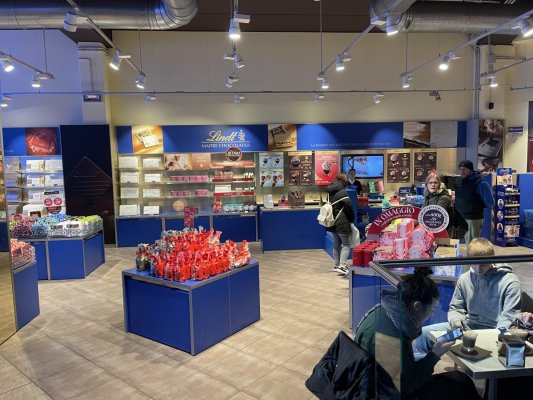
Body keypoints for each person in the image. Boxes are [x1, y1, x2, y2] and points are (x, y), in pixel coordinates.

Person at [354, 268, 480, 400]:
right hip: (383, 394)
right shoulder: (390, 337)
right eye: (432, 310)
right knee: (461, 385)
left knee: (460, 380)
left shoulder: (386, 312)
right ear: (417, 306)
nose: (430, 315)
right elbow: (407, 387)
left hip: (373, 385)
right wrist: (435, 354)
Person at [415, 238, 522, 354]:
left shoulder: (510, 282)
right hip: (466, 328)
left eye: (484, 264)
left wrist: (494, 335)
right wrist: (456, 322)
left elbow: (509, 316)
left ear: (492, 259)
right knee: (424, 334)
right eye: (474, 263)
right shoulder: (465, 279)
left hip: (494, 330)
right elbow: (456, 307)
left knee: (479, 349)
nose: (478, 269)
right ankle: (423, 364)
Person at [454, 160, 494, 244]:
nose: (462, 171)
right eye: (460, 169)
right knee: (461, 244)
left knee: (472, 244)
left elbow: (490, 202)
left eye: (464, 169)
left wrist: (477, 205)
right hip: (460, 217)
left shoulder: (481, 183)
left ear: (471, 170)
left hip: (472, 219)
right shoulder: (459, 181)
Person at [327, 173, 355, 275]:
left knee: (336, 243)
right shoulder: (342, 192)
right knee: (347, 244)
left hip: (332, 221)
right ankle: (342, 266)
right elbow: (349, 208)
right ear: (344, 181)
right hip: (342, 221)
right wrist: (351, 220)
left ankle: (336, 265)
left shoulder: (329, 192)